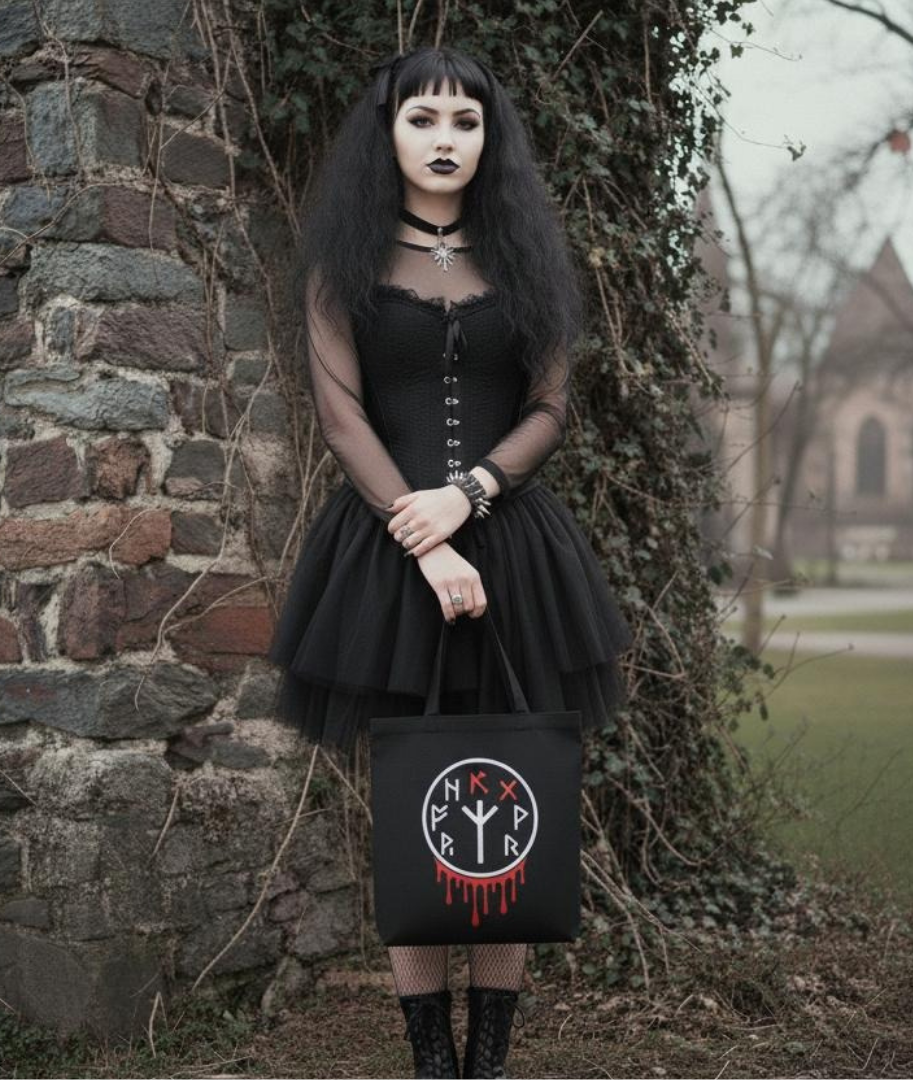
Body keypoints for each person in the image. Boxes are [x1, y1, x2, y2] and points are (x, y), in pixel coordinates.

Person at [267, 45, 634, 1079]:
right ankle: (432, 1061)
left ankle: (490, 1062)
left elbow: (550, 408)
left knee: (512, 792)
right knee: (415, 807)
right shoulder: (342, 262)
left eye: (465, 123)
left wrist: (469, 494)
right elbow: (341, 421)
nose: (444, 139)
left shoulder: (526, 259)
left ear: (489, 139)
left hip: (517, 557)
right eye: (423, 119)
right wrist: (425, 541)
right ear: (389, 133)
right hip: (388, 565)